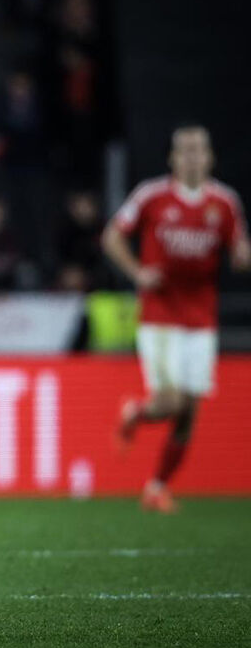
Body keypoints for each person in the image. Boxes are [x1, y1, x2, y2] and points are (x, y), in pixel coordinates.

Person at [104, 124, 249, 513]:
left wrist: (242, 257)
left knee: (188, 414)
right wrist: (137, 272)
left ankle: (156, 487)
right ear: (172, 158)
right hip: (160, 314)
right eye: (185, 150)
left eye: (199, 149)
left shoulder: (224, 202)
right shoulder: (151, 196)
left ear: (210, 157)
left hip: (201, 319)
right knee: (170, 402)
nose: (192, 157)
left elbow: (239, 249)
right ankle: (135, 411)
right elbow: (112, 236)